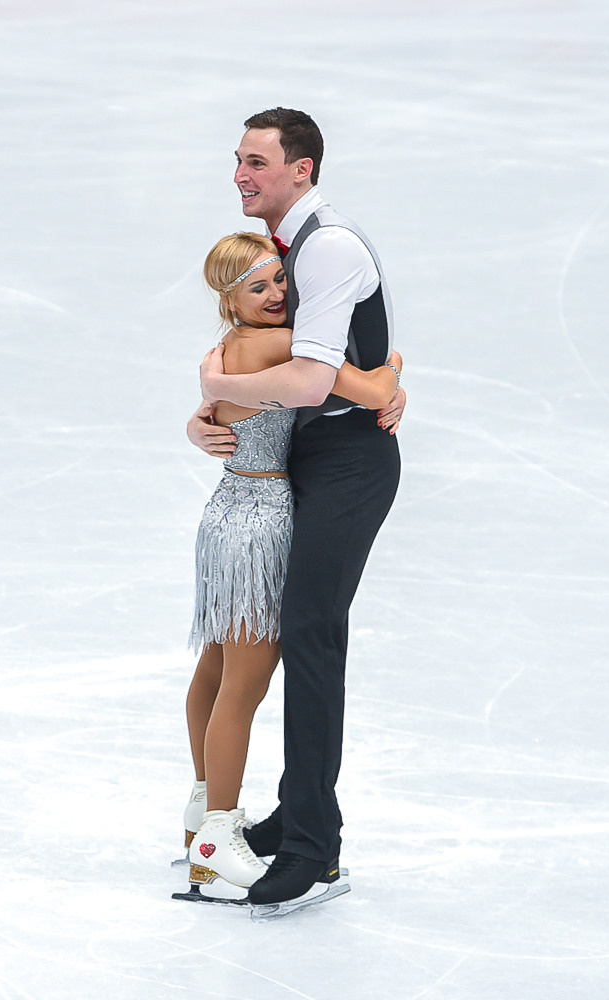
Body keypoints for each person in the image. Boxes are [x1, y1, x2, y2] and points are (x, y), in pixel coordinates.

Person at [188, 108, 406, 906]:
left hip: (347, 462)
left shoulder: (332, 246)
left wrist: (217, 387)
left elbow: (313, 379)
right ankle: (298, 817)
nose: (241, 175)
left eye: (256, 161)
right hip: (296, 460)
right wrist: (205, 413)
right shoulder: (280, 254)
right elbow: (292, 362)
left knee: (309, 639)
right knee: (263, 644)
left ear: (300, 170)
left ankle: (312, 846)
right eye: (237, 160)